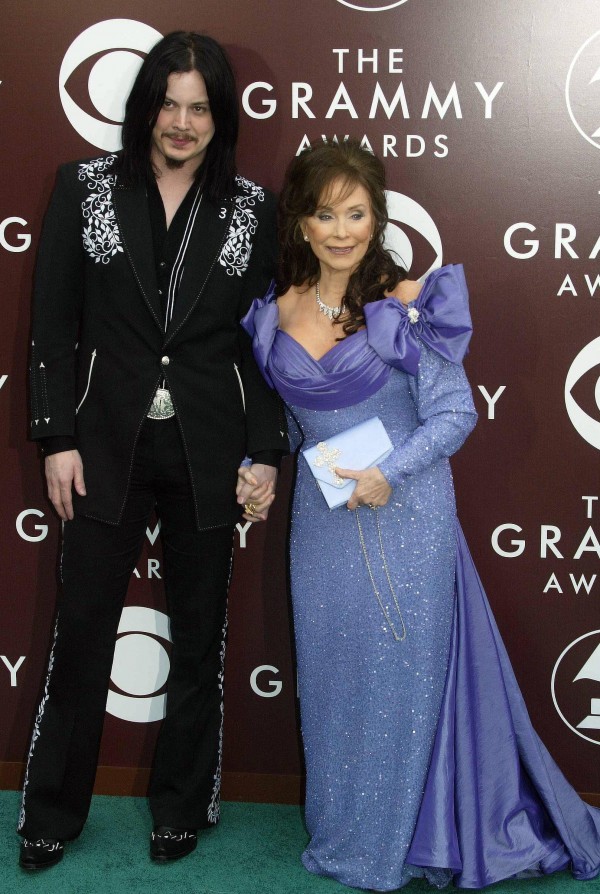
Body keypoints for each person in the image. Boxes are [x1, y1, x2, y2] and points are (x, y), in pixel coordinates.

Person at [239, 139, 600, 891]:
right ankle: (349, 831)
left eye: (357, 213)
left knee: (403, 675)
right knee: (337, 677)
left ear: (377, 219)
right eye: (324, 212)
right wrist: (257, 470)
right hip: (322, 522)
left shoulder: (405, 307)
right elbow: (285, 427)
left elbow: (453, 415)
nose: (341, 229)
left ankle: (412, 838)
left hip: (408, 515)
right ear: (300, 222)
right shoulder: (273, 315)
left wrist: (389, 474)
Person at [18, 31, 287, 871]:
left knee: (201, 637)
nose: (181, 121)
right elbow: (52, 326)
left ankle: (183, 803)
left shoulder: (253, 209)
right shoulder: (83, 187)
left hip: (211, 448)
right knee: (82, 629)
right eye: (168, 103)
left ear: (219, 118)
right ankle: (52, 814)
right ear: (145, 108)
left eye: (199, 107)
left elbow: (268, 344)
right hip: (103, 445)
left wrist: (266, 451)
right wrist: (57, 437)